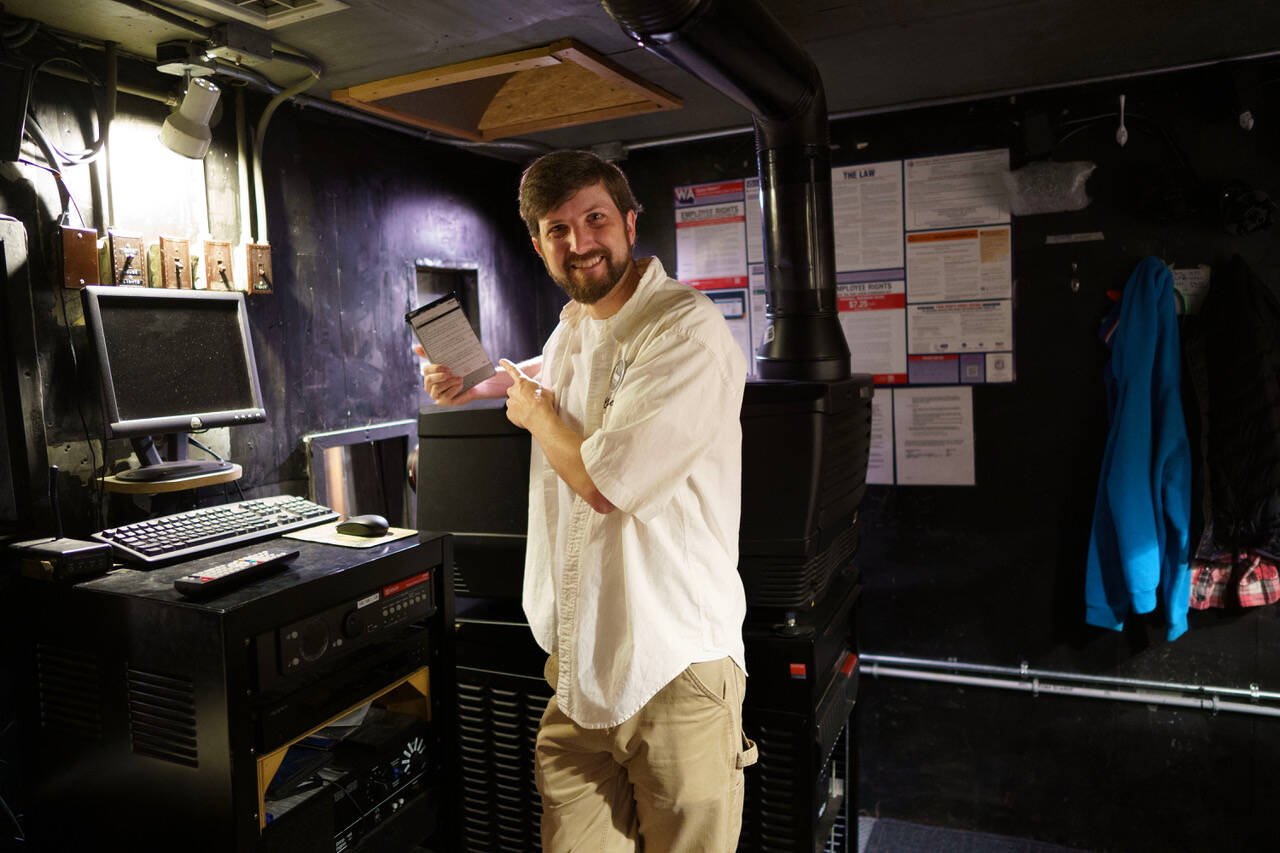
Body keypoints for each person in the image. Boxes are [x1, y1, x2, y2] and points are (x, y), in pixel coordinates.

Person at [417, 149, 754, 852]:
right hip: (581, 672)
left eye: (595, 219)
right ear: (538, 245)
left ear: (630, 222)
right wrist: (476, 381)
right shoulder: (576, 323)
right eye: (558, 230)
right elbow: (555, 369)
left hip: (675, 666)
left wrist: (536, 416)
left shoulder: (685, 328)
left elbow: (604, 484)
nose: (580, 242)